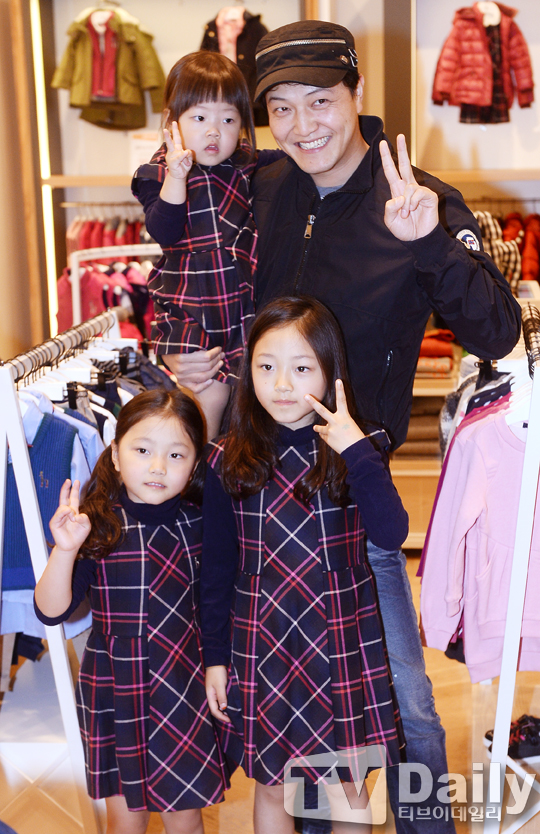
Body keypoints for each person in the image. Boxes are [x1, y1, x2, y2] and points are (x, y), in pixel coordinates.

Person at [172, 20, 523, 833]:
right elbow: (212, 287)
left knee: (405, 702)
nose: (302, 127)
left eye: (320, 102)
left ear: (356, 94)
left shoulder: (414, 197)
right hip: (258, 491)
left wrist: (429, 244)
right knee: (292, 698)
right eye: (281, 110)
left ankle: (427, 826)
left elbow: (499, 331)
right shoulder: (261, 186)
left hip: (351, 490)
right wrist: (196, 354)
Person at [200, 296, 409, 834]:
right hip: (261, 639)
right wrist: (215, 659)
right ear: (248, 371)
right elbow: (216, 571)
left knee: (347, 786)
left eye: (301, 368)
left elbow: (392, 534)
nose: (282, 385)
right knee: (273, 784)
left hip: (339, 637)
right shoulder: (226, 458)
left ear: (330, 372)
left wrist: (356, 450)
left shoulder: (359, 446)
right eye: (266, 367)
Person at [34, 390, 230, 834]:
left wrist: (218, 665)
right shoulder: (97, 523)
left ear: (194, 465)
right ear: (116, 455)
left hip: (182, 685)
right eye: (143, 450)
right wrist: (65, 551)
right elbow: (50, 612)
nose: (158, 466)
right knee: (126, 821)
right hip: (115, 687)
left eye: (175, 454)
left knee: (185, 818)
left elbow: (216, 603)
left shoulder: (201, 524)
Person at [132, 51, 282, 439]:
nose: (215, 132)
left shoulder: (244, 161)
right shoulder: (158, 172)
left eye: (228, 120)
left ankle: (231, 468)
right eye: (200, 118)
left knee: (251, 405)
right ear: (172, 121)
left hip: (240, 303)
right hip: (191, 308)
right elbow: (163, 231)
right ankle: (200, 470)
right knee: (207, 401)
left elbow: (290, 159)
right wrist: (176, 178)